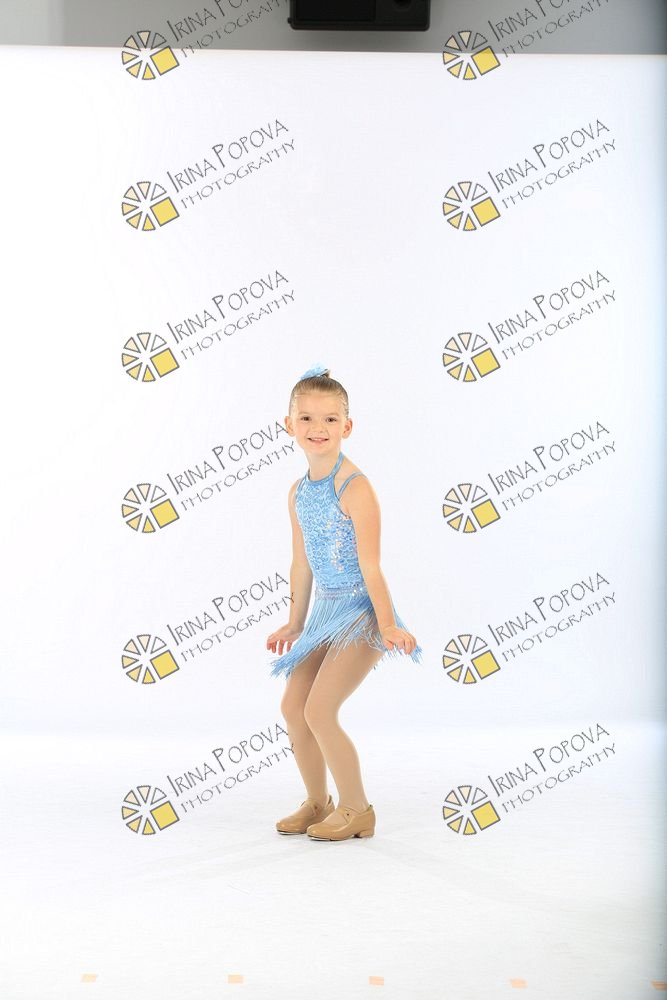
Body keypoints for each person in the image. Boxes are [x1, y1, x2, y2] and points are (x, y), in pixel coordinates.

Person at [266, 363, 423, 842]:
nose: (318, 428)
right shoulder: (298, 492)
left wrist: (387, 624)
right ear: (289, 425)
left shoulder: (355, 487)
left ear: (347, 426)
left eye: (330, 419)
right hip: (325, 614)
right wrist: (295, 623)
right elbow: (302, 563)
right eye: (307, 418)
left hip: (362, 613)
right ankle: (319, 801)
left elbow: (371, 566)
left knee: (319, 711)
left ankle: (358, 810)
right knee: (294, 707)